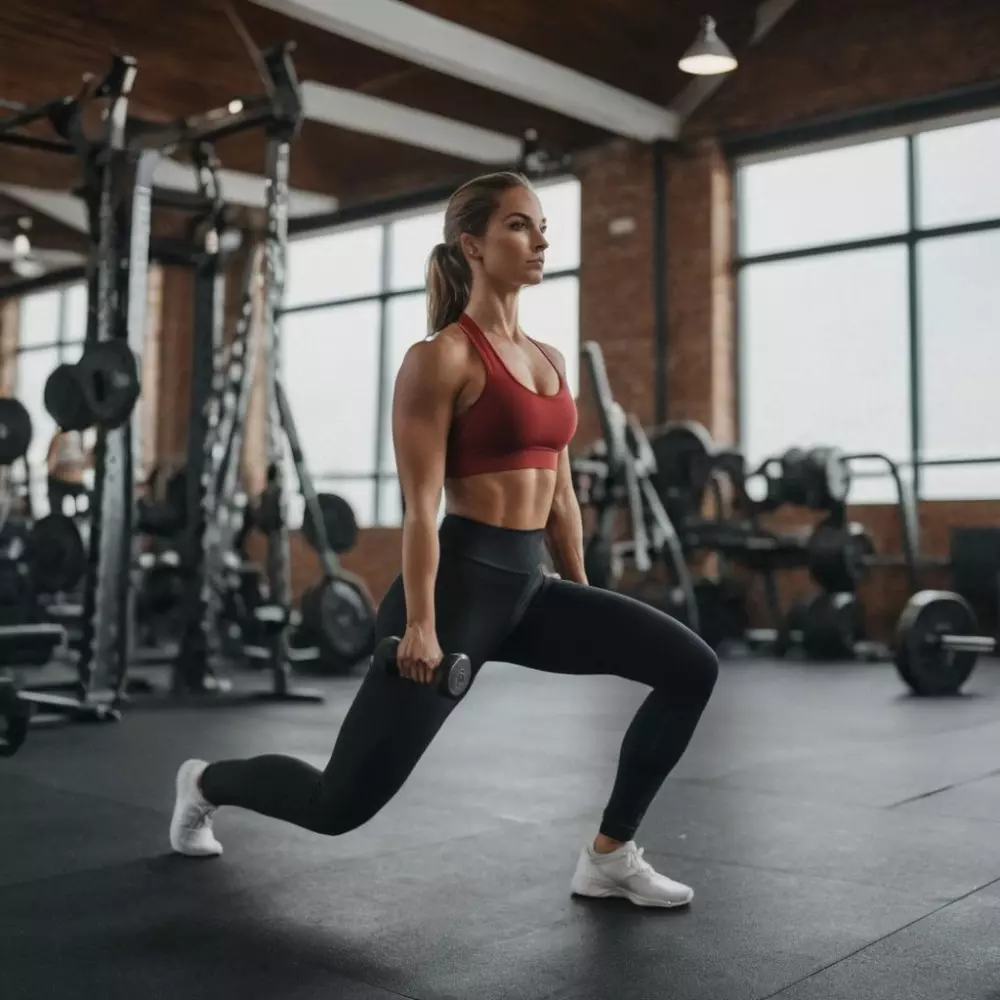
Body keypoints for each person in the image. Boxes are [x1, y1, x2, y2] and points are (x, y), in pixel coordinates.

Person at [170, 171, 719, 909]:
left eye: (542, 225)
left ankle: (610, 856)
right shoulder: (442, 358)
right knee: (339, 805)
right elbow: (421, 508)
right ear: (474, 244)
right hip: (456, 591)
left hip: (529, 588)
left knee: (690, 666)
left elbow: (560, 495)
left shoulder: (551, 361)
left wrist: (582, 592)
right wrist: (421, 625)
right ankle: (205, 782)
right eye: (520, 225)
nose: (542, 239)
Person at [46, 428, 90, 517]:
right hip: (71, 479)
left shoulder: (61, 435)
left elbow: (51, 461)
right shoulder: (64, 435)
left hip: (65, 478)